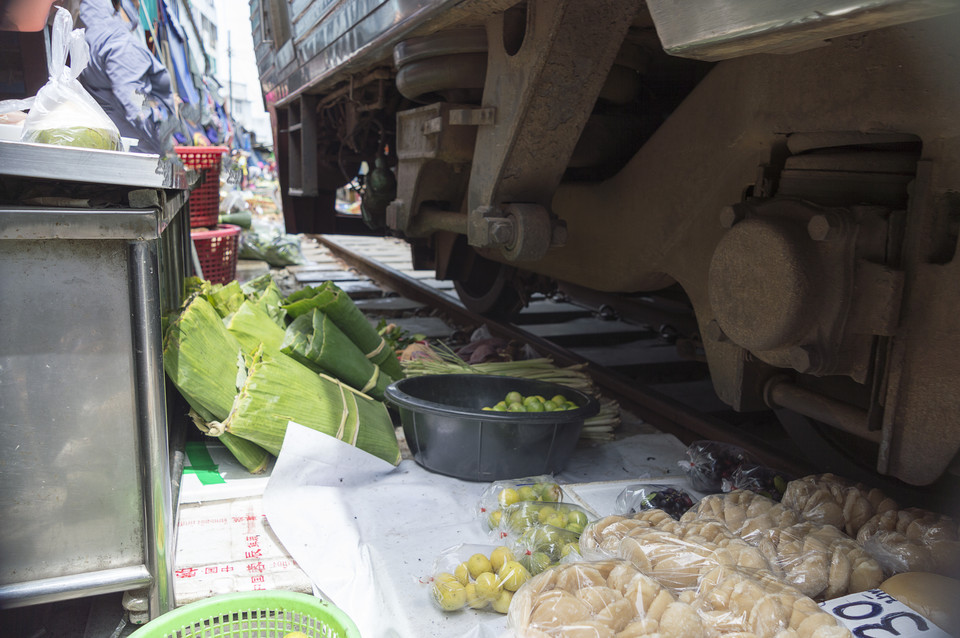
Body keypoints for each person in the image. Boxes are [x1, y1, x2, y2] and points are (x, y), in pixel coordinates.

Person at [77, 0, 176, 154]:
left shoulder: (92, 35)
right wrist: (166, 141)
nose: (139, 7)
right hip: (137, 155)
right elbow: (136, 103)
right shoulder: (120, 44)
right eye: (137, 5)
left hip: (113, 146)